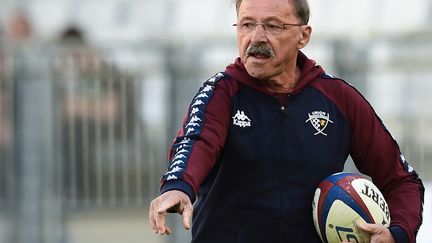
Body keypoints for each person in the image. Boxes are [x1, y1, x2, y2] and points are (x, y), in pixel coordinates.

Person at [149, 0, 424, 242]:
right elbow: (197, 140)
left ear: (303, 36)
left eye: (273, 26)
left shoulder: (339, 99)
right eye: (246, 24)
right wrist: (178, 185)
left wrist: (397, 233)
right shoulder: (220, 93)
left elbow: (402, 181)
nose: (256, 37)